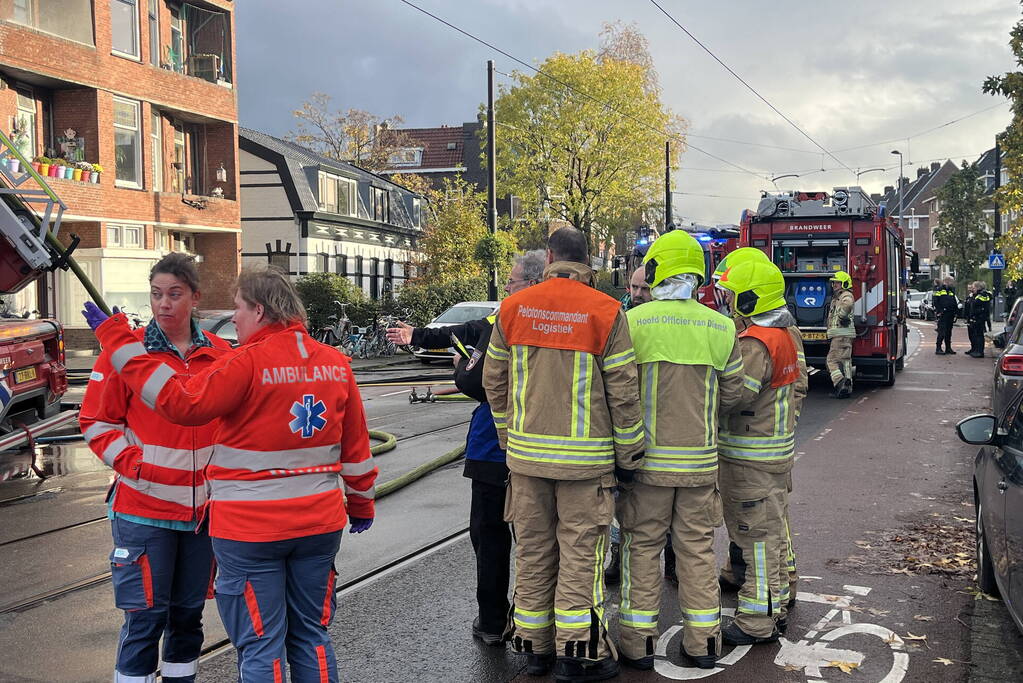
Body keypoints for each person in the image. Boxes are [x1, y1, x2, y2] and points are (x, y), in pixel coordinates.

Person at [83, 266, 378, 683]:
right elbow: (357, 450)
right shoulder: (335, 363)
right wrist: (361, 503)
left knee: (260, 642)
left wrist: (116, 339)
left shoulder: (242, 360)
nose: (234, 317)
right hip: (318, 525)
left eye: (239, 307)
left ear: (258, 310)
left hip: (249, 528)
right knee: (311, 635)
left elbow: (180, 403)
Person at [484, 227, 643, 682]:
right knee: (580, 556)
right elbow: (624, 393)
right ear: (587, 261)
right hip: (585, 465)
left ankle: (534, 649)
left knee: (533, 553)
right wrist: (629, 456)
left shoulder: (512, 309)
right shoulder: (607, 312)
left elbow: (494, 381)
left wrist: (508, 437)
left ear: (550, 256)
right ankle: (579, 655)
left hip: (527, 461)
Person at [79, 254, 231, 683]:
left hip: (203, 514)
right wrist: (133, 463)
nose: (163, 304)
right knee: (144, 621)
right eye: (156, 294)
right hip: (143, 509)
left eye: (174, 294)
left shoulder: (220, 354)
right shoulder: (124, 354)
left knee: (188, 619)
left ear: (195, 298)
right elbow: (96, 421)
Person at [385, 249, 545, 646]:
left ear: (532, 283)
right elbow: (466, 328)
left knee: (490, 536)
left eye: (511, 283)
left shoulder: (507, 320)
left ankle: (493, 622)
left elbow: (474, 381)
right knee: (540, 539)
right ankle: (539, 627)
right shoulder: (562, 319)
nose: (506, 290)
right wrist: (416, 336)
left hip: (495, 447)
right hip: (548, 447)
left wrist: (461, 368)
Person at [615, 232, 744, 671]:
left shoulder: (634, 322)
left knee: (641, 548)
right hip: (700, 466)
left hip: (646, 465)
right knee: (697, 551)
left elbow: (618, 391)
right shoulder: (722, 327)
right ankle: (704, 642)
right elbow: (734, 395)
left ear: (656, 270)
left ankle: (636, 643)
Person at [715, 259, 807, 646]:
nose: (729, 301)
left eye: (734, 295)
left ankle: (757, 620)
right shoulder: (784, 333)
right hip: (772, 449)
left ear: (751, 297)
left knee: (756, 537)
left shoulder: (756, 343)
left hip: (749, 454)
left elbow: (734, 397)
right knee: (773, 528)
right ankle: (781, 597)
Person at [825, 271, 855, 398]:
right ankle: (847, 387)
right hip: (846, 334)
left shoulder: (845, 295)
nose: (834, 285)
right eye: (834, 282)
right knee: (846, 361)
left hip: (839, 334)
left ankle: (839, 382)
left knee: (831, 361)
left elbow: (848, 304)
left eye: (837, 282)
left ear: (844, 283)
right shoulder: (839, 296)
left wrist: (842, 315)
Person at [965, 280, 992, 358]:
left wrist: (972, 298)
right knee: (975, 335)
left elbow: (976, 304)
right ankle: (975, 350)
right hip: (975, 317)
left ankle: (979, 352)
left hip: (979, 318)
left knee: (979, 335)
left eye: (973, 287)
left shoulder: (982, 295)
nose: (972, 289)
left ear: (978, 287)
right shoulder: (976, 295)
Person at [933, 278, 959, 355]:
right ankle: (938, 348)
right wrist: (939, 311)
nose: (952, 284)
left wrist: (956, 312)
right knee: (942, 331)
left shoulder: (951, 290)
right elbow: (935, 301)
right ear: (947, 282)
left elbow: (954, 301)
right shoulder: (939, 290)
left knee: (948, 332)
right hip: (943, 314)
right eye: (952, 282)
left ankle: (948, 348)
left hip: (950, 314)